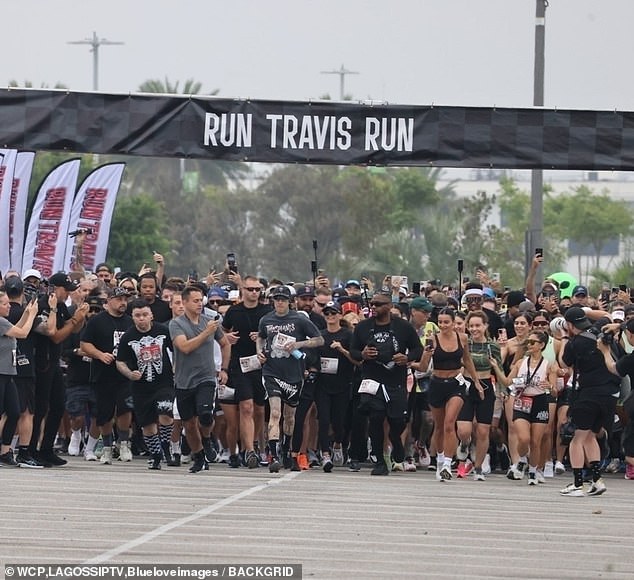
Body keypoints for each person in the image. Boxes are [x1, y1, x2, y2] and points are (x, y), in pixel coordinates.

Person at [349, 289, 422, 475]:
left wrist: (406, 358)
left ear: (389, 306)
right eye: (372, 304)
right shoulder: (363, 327)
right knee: (375, 417)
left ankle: (395, 439)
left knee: (398, 420)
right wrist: (363, 354)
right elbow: (353, 351)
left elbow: (417, 349)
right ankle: (380, 461)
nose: (373, 307)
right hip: (372, 379)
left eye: (378, 304)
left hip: (395, 380)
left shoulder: (403, 327)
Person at [256, 285, 324, 473]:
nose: (279, 302)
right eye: (276, 299)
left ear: (289, 302)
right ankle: (274, 456)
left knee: (290, 417)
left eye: (283, 299)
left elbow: (319, 340)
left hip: (294, 373)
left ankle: (287, 449)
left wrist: (299, 344)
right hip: (272, 371)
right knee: (275, 413)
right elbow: (260, 338)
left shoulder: (299, 319)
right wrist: (260, 353)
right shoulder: (266, 320)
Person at [558, 306, 619, 496]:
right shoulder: (600, 328)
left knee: (577, 438)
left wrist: (564, 338)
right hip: (610, 395)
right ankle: (596, 480)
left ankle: (577, 484)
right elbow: (607, 315)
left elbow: (563, 363)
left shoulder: (575, 342)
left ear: (569, 325)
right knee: (591, 435)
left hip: (589, 394)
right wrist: (587, 310)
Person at [169, 285, 230, 473]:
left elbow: (225, 343)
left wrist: (224, 369)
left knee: (205, 413)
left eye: (200, 300)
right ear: (185, 302)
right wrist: (206, 333)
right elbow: (185, 347)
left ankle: (207, 439)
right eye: (195, 300)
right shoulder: (176, 324)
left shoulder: (210, 320)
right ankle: (199, 455)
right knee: (188, 423)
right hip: (184, 379)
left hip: (206, 377)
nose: (199, 304)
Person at [31, 272, 89, 467]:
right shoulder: (44, 304)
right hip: (42, 362)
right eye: (67, 290)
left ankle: (47, 448)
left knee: (58, 405)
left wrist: (80, 315)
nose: (68, 294)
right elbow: (55, 335)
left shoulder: (62, 306)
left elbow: (73, 330)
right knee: (40, 407)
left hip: (54, 361)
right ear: (55, 288)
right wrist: (74, 321)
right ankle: (31, 448)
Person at [418, 307, 483, 481]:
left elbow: (467, 360)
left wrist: (476, 381)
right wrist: (426, 354)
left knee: (449, 423)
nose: (443, 325)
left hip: (456, 383)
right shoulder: (432, 339)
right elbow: (423, 367)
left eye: (447, 322)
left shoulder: (462, 338)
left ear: (454, 323)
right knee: (438, 426)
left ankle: (447, 462)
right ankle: (439, 460)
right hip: (437, 383)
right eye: (440, 322)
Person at [116, 299, 175, 470]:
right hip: (141, 386)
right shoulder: (128, 336)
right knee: (147, 425)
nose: (141, 319)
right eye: (137, 315)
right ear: (133, 317)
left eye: (145, 315)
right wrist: (129, 373)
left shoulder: (163, 330)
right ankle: (156, 454)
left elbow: (176, 350)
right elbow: (120, 362)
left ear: (151, 316)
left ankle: (166, 446)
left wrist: (176, 367)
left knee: (165, 411)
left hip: (164, 382)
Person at [221, 275, 271, 468]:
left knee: (259, 410)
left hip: (262, 364)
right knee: (246, 407)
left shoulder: (267, 311)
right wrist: (227, 337)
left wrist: (262, 336)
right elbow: (221, 332)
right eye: (250, 289)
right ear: (243, 290)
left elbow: (277, 335)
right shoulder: (234, 311)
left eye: (257, 289)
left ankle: (254, 444)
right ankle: (248, 450)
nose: (254, 293)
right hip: (239, 365)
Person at [80, 286, 134, 465]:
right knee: (104, 413)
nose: (123, 303)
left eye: (125, 299)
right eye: (119, 299)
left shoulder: (130, 321)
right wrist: (100, 354)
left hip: (125, 374)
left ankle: (124, 443)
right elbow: (85, 344)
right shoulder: (97, 321)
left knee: (125, 408)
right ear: (109, 301)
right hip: (103, 374)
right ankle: (107, 447)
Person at [500, 330, 559, 484]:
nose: (529, 345)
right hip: (522, 400)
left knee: (536, 441)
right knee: (524, 437)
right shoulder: (520, 363)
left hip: (540, 401)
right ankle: (521, 460)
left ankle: (534, 471)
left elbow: (554, 390)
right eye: (528, 342)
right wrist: (496, 367)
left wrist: (550, 385)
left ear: (541, 345)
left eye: (532, 342)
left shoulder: (549, 365)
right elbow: (507, 382)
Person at [455, 310, 503, 481]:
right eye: (471, 326)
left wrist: (503, 391)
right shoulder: (463, 343)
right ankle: (465, 443)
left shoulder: (493, 346)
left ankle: (478, 467)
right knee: (464, 429)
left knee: (483, 431)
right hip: (467, 386)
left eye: (478, 325)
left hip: (486, 386)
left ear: (485, 326)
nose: (474, 329)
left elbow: (499, 370)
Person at [312, 301, 356, 472]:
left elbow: (356, 360)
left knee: (339, 421)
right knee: (323, 419)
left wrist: (342, 350)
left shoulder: (348, 335)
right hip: (322, 384)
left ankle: (338, 443)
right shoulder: (320, 335)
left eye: (333, 313)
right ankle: (325, 454)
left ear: (339, 315)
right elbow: (313, 358)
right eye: (327, 313)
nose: (330, 316)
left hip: (343, 384)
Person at [0, 290, 39, 465]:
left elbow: (18, 326)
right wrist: (32, 315)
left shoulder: (5, 322)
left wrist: (26, 313)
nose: (9, 306)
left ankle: (5, 450)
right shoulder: (0, 322)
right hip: (0, 373)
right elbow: (23, 333)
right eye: (5, 304)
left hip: (9, 373)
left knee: (14, 411)